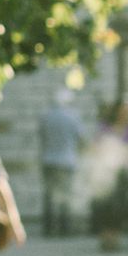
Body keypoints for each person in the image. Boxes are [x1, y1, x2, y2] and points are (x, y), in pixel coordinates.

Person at [35, 91, 87, 240]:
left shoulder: (46, 116)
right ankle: (64, 227)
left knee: (49, 194)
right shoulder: (73, 116)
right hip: (67, 160)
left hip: (49, 159)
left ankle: (49, 227)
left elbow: (42, 136)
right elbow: (80, 138)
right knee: (65, 194)